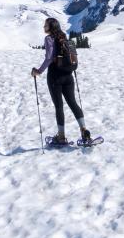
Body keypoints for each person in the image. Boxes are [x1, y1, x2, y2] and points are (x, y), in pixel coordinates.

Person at [31, 17, 91, 145]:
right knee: (73, 103)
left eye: (45, 25)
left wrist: (39, 71)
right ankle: (84, 130)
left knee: (59, 106)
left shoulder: (48, 39)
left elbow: (49, 58)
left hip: (55, 76)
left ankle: (61, 137)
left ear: (51, 27)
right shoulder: (64, 37)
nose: (44, 27)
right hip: (68, 75)